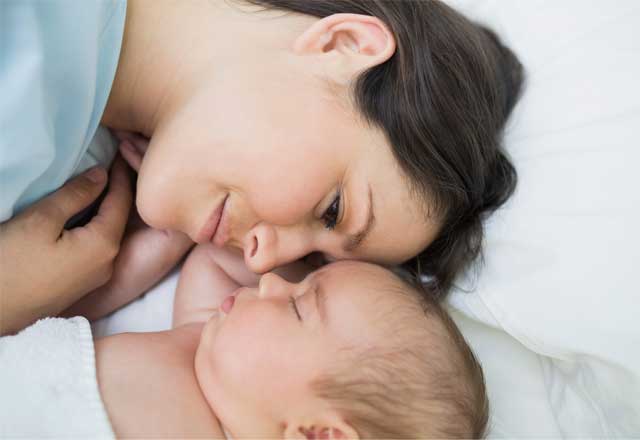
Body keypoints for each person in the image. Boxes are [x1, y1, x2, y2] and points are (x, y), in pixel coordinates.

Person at [0, 0, 524, 334]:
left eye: (312, 258)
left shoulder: (60, 209)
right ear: (342, 45)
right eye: (333, 210)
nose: (261, 260)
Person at [93, 249, 489, 438]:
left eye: (297, 306)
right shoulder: (203, 343)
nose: (270, 282)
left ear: (319, 435)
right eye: (297, 283)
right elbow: (212, 260)